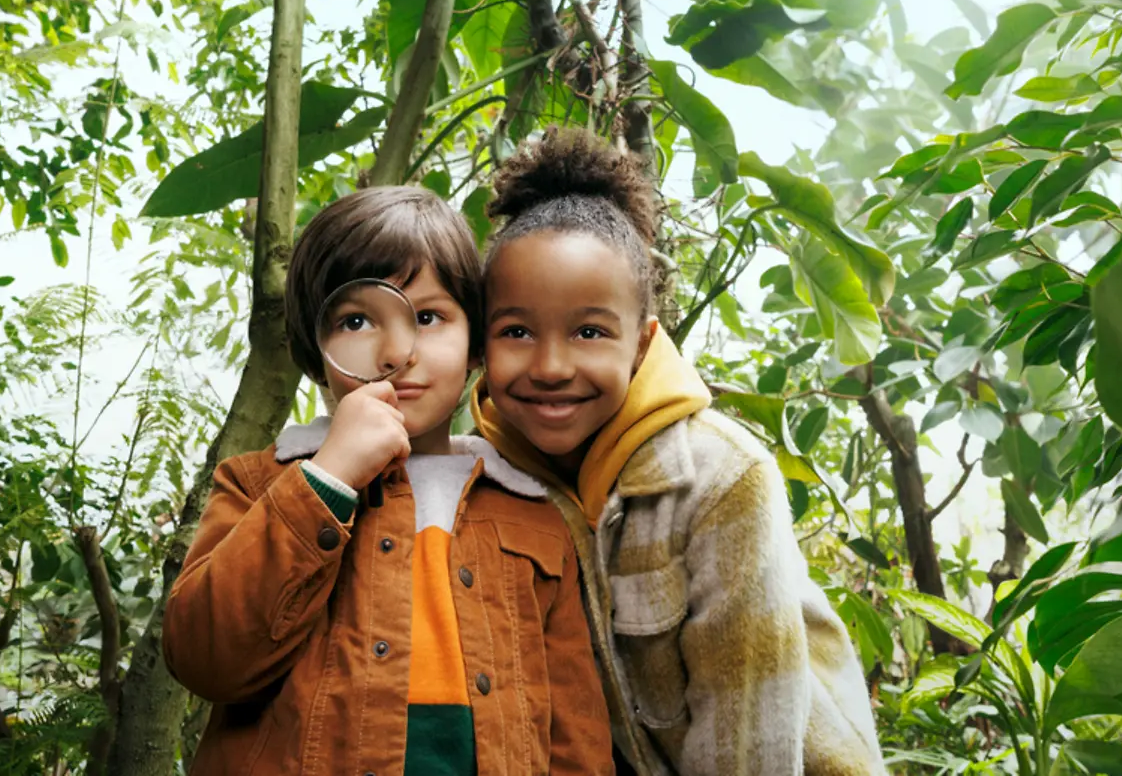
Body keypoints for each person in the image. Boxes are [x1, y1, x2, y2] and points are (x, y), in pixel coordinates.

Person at [469, 128, 887, 776]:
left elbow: (749, 749)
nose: (551, 366)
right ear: (481, 342)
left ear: (641, 344)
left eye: (588, 331)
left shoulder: (723, 479)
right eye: (517, 330)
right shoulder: (476, 479)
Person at [163, 185, 613, 775]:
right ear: (314, 347)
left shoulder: (534, 514)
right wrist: (327, 479)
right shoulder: (256, 486)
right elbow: (205, 659)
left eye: (428, 317)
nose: (397, 351)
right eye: (355, 319)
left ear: (477, 344)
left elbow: (575, 734)